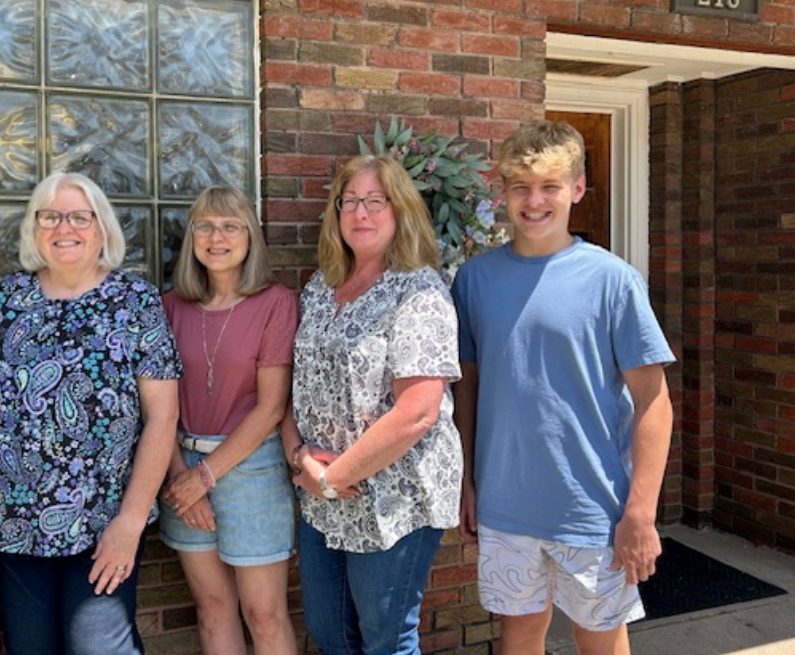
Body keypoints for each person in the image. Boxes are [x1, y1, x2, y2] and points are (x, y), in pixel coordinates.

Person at [451, 120, 675, 655]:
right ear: (502, 191)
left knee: (599, 640)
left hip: (592, 506)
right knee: (519, 636)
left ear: (576, 189)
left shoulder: (612, 280)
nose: (534, 201)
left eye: (549, 186)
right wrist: (466, 483)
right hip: (505, 503)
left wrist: (640, 512)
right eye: (520, 187)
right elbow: (469, 392)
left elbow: (653, 400)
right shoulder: (474, 280)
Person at [0, 171, 182, 655]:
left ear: (101, 229)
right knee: (31, 647)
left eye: (80, 216)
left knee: (100, 646)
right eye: (51, 216)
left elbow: (162, 418)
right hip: (17, 519)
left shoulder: (135, 302)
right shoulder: (6, 300)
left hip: (106, 519)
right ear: (35, 229)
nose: (65, 227)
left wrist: (130, 520)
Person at [282, 154, 462, 655]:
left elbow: (418, 412)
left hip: (393, 496)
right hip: (321, 493)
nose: (361, 213)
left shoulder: (420, 291)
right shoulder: (320, 287)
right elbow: (294, 384)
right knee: (330, 633)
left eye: (375, 202)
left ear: (400, 211)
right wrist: (302, 458)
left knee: (386, 639)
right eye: (350, 202)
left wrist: (334, 476)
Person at [158, 186, 299, 655]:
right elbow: (160, 408)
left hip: (250, 470)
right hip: (181, 464)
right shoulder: (169, 306)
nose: (216, 237)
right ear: (192, 238)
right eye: (205, 226)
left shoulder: (275, 303)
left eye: (230, 226)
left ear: (250, 236)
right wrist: (183, 477)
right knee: (212, 608)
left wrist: (206, 475)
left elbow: (271, 407)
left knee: (264, 614)